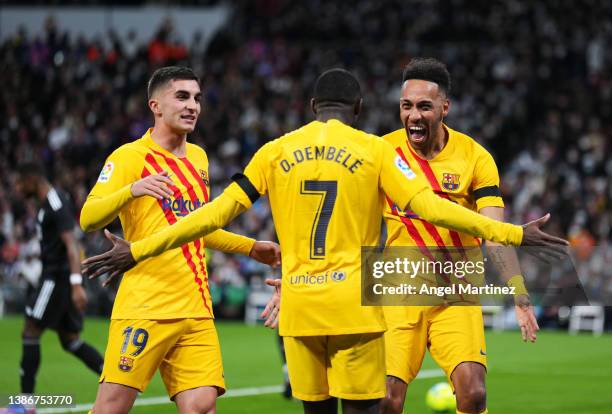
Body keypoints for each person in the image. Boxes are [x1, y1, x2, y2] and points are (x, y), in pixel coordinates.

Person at [82, 68, 567, 414]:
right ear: (360, 109)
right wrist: (515, 233)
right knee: (375, 406)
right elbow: (432, 207)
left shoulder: (274, 150)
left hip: (303, 309)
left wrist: (140, 247)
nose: (412, 114)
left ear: (312, 108)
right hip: (365, 298)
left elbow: (212, 214)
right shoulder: (377, 150)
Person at [79, 66, 281, 414]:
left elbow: (197, 227)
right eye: (182, 97)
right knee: (110, 408)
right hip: (146, 306)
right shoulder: (129, 157)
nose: (193, 106)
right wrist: (132, 190)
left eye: (198, 98)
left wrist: (249, 246)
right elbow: (88, 218)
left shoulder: (199, 158)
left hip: (196, 307)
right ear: (155, 105)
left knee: (202, 406)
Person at [380, 58, 541, 414]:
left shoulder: (475, 157)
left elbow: (494, 232)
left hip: (456, 291)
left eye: (424, 106)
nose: (414, 116)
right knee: (386, 400)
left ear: (444, 107)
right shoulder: (382, 154)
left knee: (473, 393)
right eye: (406, 106)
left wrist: (518, 292)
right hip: (399, 291)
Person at [15, 163, 104, 394]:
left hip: (57, 279)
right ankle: (116, 381)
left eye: (20, 182)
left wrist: (76, 285)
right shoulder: (49, 202)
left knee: (30, 330)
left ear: (32, 179)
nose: (16, 188)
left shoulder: (55, 203)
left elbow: (72, 245)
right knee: (70, 340)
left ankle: (25, 404)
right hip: (61, 278)